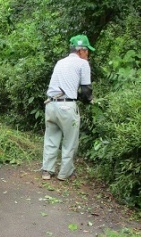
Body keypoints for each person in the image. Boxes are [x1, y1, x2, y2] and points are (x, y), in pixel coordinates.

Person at [41, 34, 94, 181]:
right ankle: (65, 173)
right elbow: (86, 91)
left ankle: (47, 170)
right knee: (70, 140)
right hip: (67, 106)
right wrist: (90, 101)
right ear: (81, 50)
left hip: (50, 104)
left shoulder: (60, 62)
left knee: (51, 138)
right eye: (87, 50)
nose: (88, 54)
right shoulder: (83, 64)